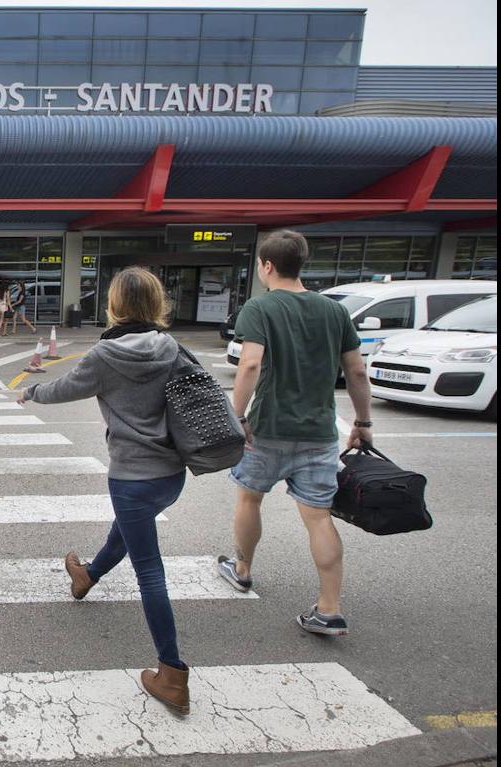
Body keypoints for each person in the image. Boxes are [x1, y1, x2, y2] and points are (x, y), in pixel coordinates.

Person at [18, 266, 192, 715]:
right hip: (172, 474)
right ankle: (88, 576)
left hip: (132, 475)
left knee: (149, 570)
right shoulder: (172, 348)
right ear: (157, 304)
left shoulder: (106, 354)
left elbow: (65, 388)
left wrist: (31, 393)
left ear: (114, 305)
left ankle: (172, 673)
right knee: (130, 530)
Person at [217, 230, 372, 636]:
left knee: (250, 498)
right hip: (320, 432)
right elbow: (356, 370)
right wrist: (363, 422)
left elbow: (249, 365)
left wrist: (237, 416)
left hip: (267, 429)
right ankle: (329, 608)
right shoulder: (335, 312)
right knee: (318, 518)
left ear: (267, 265)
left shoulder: (261, 308)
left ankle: (243, 568)